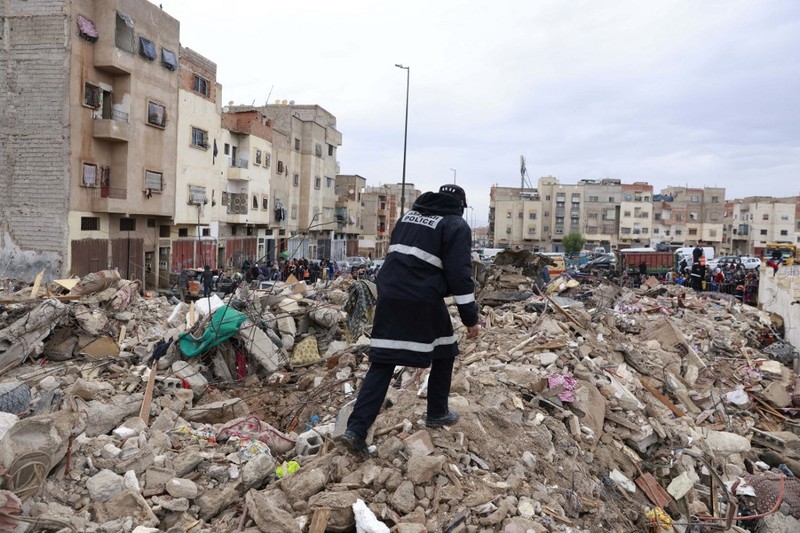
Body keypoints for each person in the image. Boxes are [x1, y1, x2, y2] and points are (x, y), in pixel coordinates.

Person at [338, 184, 480, 458]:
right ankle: (435, 412)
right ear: (460, 206)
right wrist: (470, 318)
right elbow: (460, 275)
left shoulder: (409, 217)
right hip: (422, 297)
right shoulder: (454, 224)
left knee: (393, 358)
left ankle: (356, 430)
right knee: (442, 351)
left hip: (390, 293)